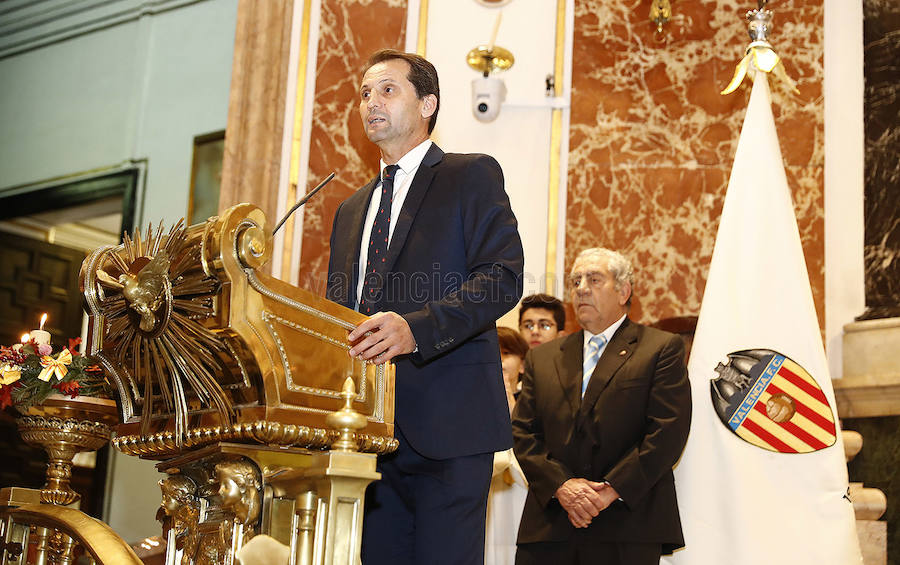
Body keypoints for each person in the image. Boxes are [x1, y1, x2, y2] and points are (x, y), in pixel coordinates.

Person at [325, 49, 524, 565]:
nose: (372, 102)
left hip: (450, 424)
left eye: (388, 89)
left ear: (428, 103)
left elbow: (501, 278)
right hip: (368, 433)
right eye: (365, 92)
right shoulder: (349, 210)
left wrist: (416, 330)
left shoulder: (470, 175)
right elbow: (338, 313)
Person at [511, 248, 691, 565]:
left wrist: (606, 492)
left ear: (623, 291)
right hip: (551, 524)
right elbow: (523, 433)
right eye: (576, 281)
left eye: (594, 279)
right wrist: (562, 487)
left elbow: (667, 432)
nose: (581, 288)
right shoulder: (543, 357)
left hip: (626, 523)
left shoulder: (660, 348)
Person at [485, 327, 531, 565]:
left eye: (506, 353)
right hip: (487, 494)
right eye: (494, 352)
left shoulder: (533, 404)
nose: (499, 360)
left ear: (522, 364)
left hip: (520, 495)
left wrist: (510, 402)